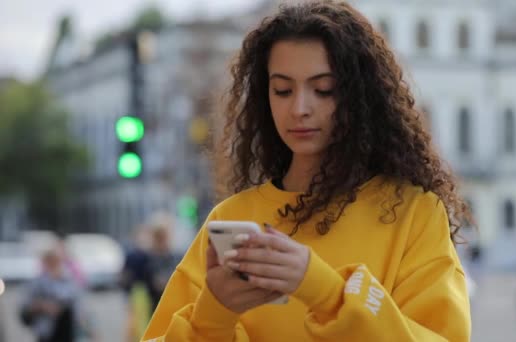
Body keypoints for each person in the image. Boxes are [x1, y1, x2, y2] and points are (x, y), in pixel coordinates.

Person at [143, 1, 472, 341]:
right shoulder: (232, 218)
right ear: (264, 96)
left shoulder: (413, 214)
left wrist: (326, 291)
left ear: (360, 97)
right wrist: (213, 315)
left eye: (323, 90)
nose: (300, 108)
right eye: (283, 90)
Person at [20, 247, 89, 342]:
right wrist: (43, 306)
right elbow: (25, 308)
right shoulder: (38, 282)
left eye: (56, 261)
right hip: (46, 331)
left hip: (68, 331)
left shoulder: (69, 280)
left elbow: (79, 306)